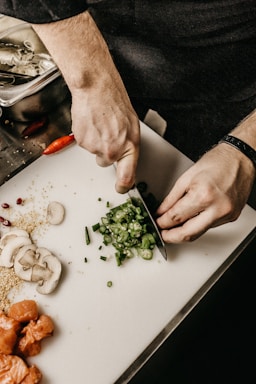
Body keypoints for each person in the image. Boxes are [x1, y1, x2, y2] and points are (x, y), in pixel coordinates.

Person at [0, 1, 255, 244]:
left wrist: (245, 149)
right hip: (95, 33)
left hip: (231, 70)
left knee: (203, 194)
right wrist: (91, 80)